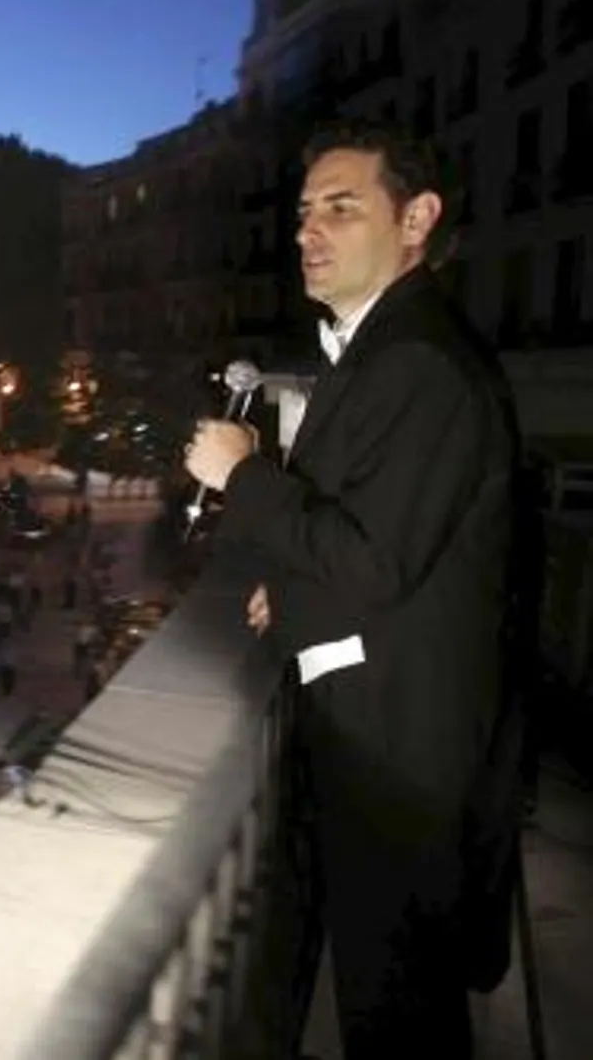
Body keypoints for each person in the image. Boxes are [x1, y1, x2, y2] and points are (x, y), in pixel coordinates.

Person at [183, 119, 524, 1058]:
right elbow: (396, 548)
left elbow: (376, 561)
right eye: (303, 214)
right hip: (381, 751)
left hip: (402, 772)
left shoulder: (419, 362)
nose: (307, 233)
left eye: (342, 207)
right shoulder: (385, 352)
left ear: (416, 220)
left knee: (400, 1019)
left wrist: (241, 475)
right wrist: (290, 601)